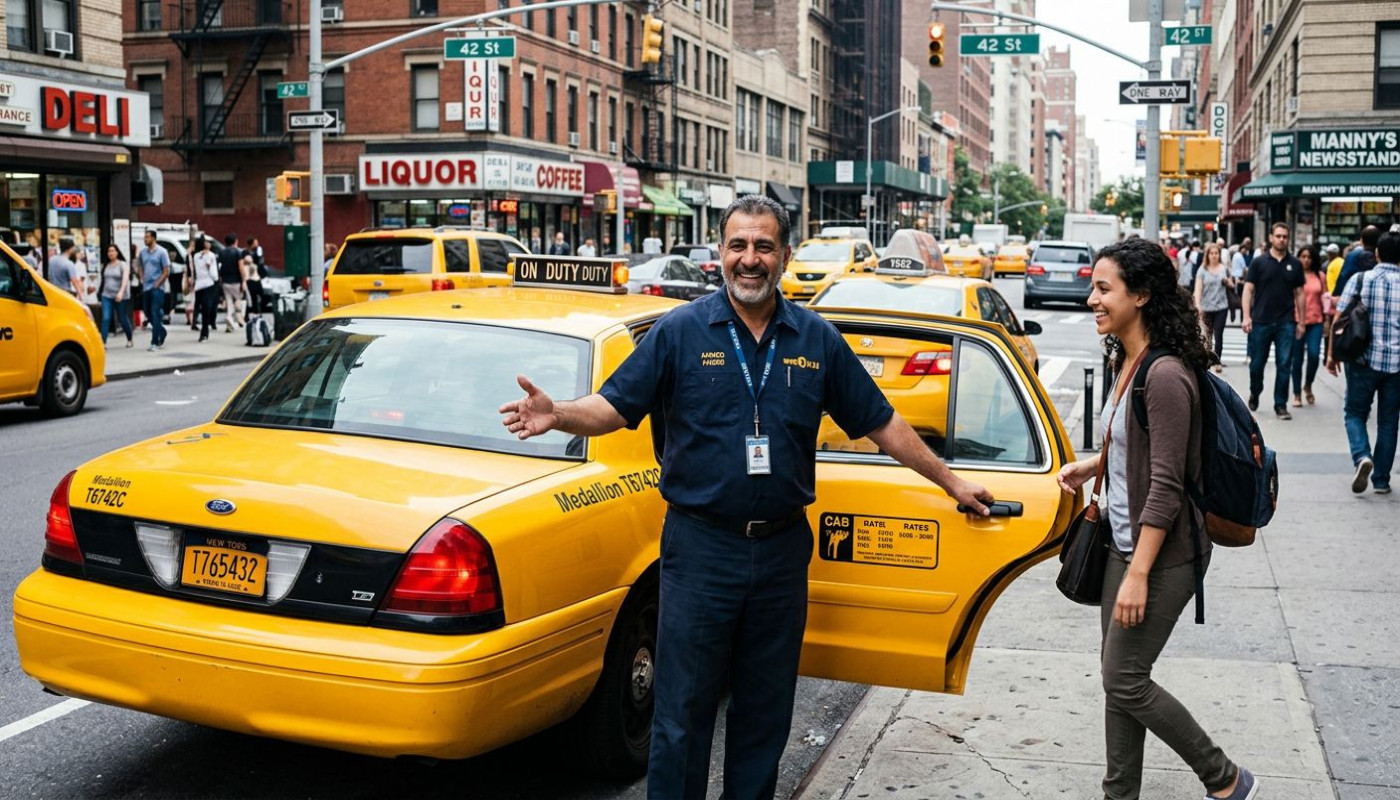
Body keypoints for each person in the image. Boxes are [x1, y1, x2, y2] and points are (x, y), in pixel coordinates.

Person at [497, 194, 993, 800]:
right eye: (738, 245)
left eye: (763, 246)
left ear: (784, 255)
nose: (750, 259)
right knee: (681, 715)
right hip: (700, 549)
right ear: (719, 253)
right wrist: (560, 414)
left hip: (782, 552)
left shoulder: (815, 338)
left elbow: (880, 422)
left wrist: (952, 481)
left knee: (764, 713)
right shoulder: (679, 331)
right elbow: (613, 407)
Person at [1057, 237, 1256, 800]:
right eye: (1092, 288)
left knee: (1123, 678)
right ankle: (1119, 794)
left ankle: (1225, 777)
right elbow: (1142, 448)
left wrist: (1139, 573)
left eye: (1103, 289)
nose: (1091, 300)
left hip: (1164, 554)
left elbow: (1167, 484)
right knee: (1118, 681)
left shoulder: (1165, 375)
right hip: (1126, 543)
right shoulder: (1128, 358)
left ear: (1141, 295)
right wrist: (1093, 464)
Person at [1329, 230, 1400, 496]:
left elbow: (1339, 319)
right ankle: (1381, 480)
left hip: (1362, 361)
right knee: (1389, 420)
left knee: (1355, 413)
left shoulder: (1361, 280)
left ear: (1377, 254)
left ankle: (1362, 456)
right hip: (1396, 365)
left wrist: (1332, 355)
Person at [1242, 222, 1305, 419]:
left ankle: (1280, 404)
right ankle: (1255, 391)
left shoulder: (1294, 264)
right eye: (1278, 236)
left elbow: (1300, 293)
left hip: (1286, 321)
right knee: (1257, 364)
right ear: (1271, 237)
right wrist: (1246, 316)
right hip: (1261, 321)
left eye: (1285, 236)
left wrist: (1301, 321)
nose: (1281, 240)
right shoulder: (1259, 262)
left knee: (1285, 364)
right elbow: (1248, 289)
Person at [1289, 244, 1327, 407]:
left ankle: (1308, 385)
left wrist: (1327, 321)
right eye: (1303, 256)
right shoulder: (1294, 275)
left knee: (1313, 355)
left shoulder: (1320, 276)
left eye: (1309, 257)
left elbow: (1325, 299)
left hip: (1316, 321)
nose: (1306, 260)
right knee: (1296, 359)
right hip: (1296, 321)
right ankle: (1297, 393)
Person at [1194, 242, 1233, 373]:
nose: (1214, 255)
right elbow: (1198, 290)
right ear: (1208, 255)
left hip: (1221, 307)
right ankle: (1207, 360)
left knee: (1219, 334)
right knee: (1207, 336)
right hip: (1206, 307)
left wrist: (1228, 282)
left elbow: (1232, 284)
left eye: (1216, 253)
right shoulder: (1202, 270)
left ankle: (1217, 361)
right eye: (1212, 253)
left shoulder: (1224, 268)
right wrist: (1198, 306)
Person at [137, 231, 171, 350]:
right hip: (146, 287)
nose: (145, 239)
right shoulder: (142, 253)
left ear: (153, 238)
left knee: (155, 313)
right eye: (144, 237)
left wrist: (158, 283)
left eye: (147, 237)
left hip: (157, 288)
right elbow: (140, 266)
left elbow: (166, 270)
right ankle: (161, 331)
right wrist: (141, 277)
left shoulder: (162, 252)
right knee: (147, 312)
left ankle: (154, 342)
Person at [98, 244, 134, 348]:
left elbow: (125, 279)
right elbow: (103, 280)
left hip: (120, 296)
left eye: (113, 251)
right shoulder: (106, 265)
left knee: (122, 318)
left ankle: (129, 338)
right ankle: (103, 343)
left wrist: (121, 292)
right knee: (106, 318)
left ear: (117, 252)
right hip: (107, 295)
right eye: (109, 251)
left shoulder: (122, 264)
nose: (111, 253)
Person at [1332, 225, 1380, 299]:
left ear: (1362, 240)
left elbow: (1343, 277)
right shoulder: (1379, 256)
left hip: (1351, 298)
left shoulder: (1353, 255)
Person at [191, 237, 221, 342]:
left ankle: (201, 330)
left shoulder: (195, 256)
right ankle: (204, 333)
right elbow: (214, 273)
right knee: (206, 309)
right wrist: (216, 279)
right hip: (209, 283)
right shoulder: (211, 256)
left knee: (199, 306)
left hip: (199, 284)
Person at [218, 233, 247, 332]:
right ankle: (233, 317)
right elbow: (241, 267)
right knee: (238, 300)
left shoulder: (222, 252)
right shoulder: (238, 253)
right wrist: (244, 280)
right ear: (235, 241)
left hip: (225, 280)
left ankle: (229, 318)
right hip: (236, 281)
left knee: (228, 301)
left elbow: (220, 266)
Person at [244, 238, 265, 317]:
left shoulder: (257, 251)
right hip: (249, 277)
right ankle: (248, 314)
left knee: (260, 294)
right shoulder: (245, 252)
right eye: (255, 243)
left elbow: (259, 261)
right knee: (251, 296)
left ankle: (256, 312)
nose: (257, 245)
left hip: (256, 276)